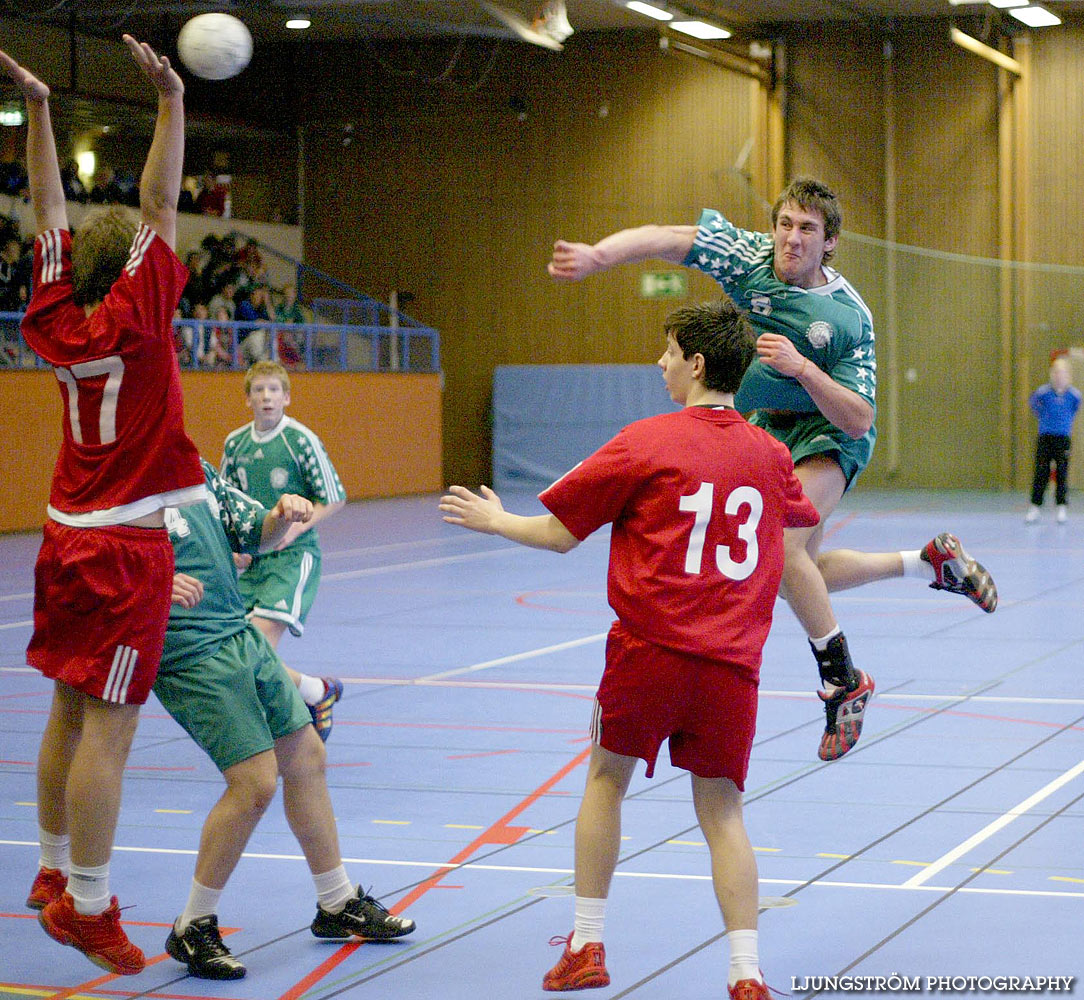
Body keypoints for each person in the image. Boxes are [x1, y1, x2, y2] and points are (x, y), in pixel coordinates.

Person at [547, 176, 999, 761]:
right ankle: (928, 563)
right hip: (768, 428)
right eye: (784, 224)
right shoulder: (747, 258)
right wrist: (598, 256)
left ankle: (843, 680)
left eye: (806, 229)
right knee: (787, 569)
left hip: (828, 431)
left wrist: (803, 370)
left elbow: (860, 417)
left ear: (829, 242)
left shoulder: (847, 316)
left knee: (783, 553)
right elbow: (668, 238)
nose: (791, 238)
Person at [441, 300, 818, 997]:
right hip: (732, 668)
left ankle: (586, 944)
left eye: (669, 350)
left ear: (697, 363)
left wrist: (496, 521)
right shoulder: (770, 455)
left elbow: (558, 534)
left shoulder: (647, 439)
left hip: (648, 652)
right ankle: (746, 974)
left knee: (606, 781)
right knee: (725, 815)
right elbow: (796, 539)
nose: (660, 362)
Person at [6, 37, 207, 976]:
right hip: (126, 547)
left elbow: (47, 207)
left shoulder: (52, 318)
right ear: (131, 268)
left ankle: (49, 872)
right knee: (108, 733)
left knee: (65, 710)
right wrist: (171, 100)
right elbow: (162, 204)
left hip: (63, 533)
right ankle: (87, 904)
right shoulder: (142, 315)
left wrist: (39, 111)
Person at [157, 461, 415, 979]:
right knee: (254, 783)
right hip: (187, 648)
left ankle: (337, 902)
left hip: (236, 632)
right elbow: (84, 565)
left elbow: (261, 533)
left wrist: (280, 514)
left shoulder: (195, 467)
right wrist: (155, 581)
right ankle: (192, 925)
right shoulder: (118, 480)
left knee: (306, 756)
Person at [220, 361, 346, 738]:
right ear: (248, 399)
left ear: (287, 397)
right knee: (233, 648)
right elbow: (226, 504)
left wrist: (292, 531)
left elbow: (334, 498)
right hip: (255, 561)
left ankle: (283, 724)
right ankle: (315, 690)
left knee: (255, 645)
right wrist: (235, 547)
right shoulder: (235, 444)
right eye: (259, 390)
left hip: (293, 558)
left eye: (274, 390)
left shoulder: (300, 440)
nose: (266, 397)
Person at [1025, 356, 1081, 524]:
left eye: (1062, 372)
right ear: (1051, 374)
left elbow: (1075, 409)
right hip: (1045, 437)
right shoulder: (1043, 392)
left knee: (1062, 473)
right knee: (1041, 472)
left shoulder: (1074, 395)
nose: (1059, 376)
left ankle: (1061, 507)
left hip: (1063, 438)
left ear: (1068, 375)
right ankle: (1035, 507)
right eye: (1056, 372)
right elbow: (1033, 403)